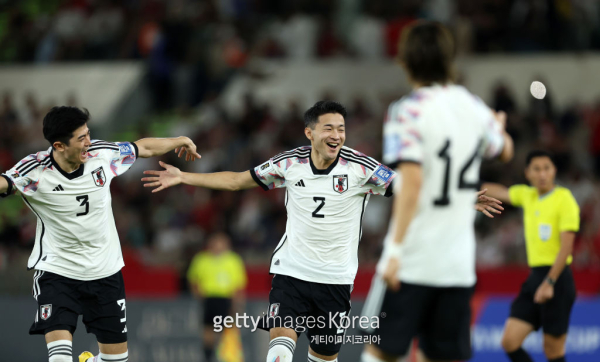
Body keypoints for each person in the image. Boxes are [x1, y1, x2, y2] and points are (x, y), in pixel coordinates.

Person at [142, 100, 502, 362]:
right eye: (329, 128)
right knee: (280, 344)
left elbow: (410, 188)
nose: (337, 135)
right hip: (291, 271)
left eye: (341, 128)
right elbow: (238, 181)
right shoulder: (288, 164)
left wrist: (461, 197)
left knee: (323, 356)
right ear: (309, 132)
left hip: (335, 279)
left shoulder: (361, 169)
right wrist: (183, 176)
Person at [360, 21, 514, 362]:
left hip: (413, 261)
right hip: (457, 267)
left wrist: (393, 251)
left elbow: (412, 183)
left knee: (380, 354)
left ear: (404, 61)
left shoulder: (407, 111)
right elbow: (504, 149)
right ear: (450, 59)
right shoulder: (473, 107)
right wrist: (500, 133)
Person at [0, 106, 201, 362]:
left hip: (105, 273)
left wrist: (179, 140)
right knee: (59, 358)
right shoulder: (35, 171)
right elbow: (4, 183)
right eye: (81, 138)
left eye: (88, 134)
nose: (88, 142)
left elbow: (142, 148)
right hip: (58, 273)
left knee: (115, 360)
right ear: (60, 146)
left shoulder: (102, 155)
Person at [481, 150, 579, 362]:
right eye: (537, 169)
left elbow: (567, 247)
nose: (542, 174)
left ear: (554, 171)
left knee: (553, 351)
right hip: (535, 277)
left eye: (547, 168)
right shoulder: (528, 195)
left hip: (558, 278)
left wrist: (550, 282)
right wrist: (469, 183)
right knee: (510, 341)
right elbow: (501, 192)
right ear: (528, 173)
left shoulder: (565, 199)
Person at [187, 232, 247, 362]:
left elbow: (239, 285)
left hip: (227, 299)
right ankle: (208, 358)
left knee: (229, 331)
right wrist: (198, 295)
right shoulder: (201, 259)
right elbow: (193, 279)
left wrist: (237, 304)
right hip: (209, 299)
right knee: (208, 332)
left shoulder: (233, 260)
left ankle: (230, 359)